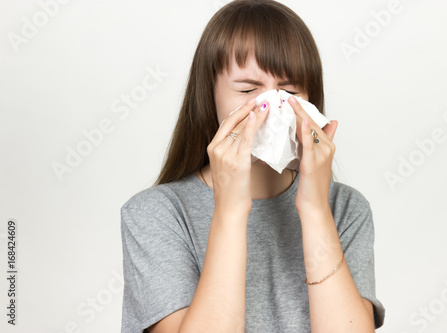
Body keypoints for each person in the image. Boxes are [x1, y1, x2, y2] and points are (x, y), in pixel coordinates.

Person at [120, 0, 385, 332]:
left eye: (288, 91)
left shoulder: (346, 209)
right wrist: (230, 210)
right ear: (209, 95)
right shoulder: (155, 215)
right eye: (248, 89)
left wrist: (315, 207)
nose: (270, 106)